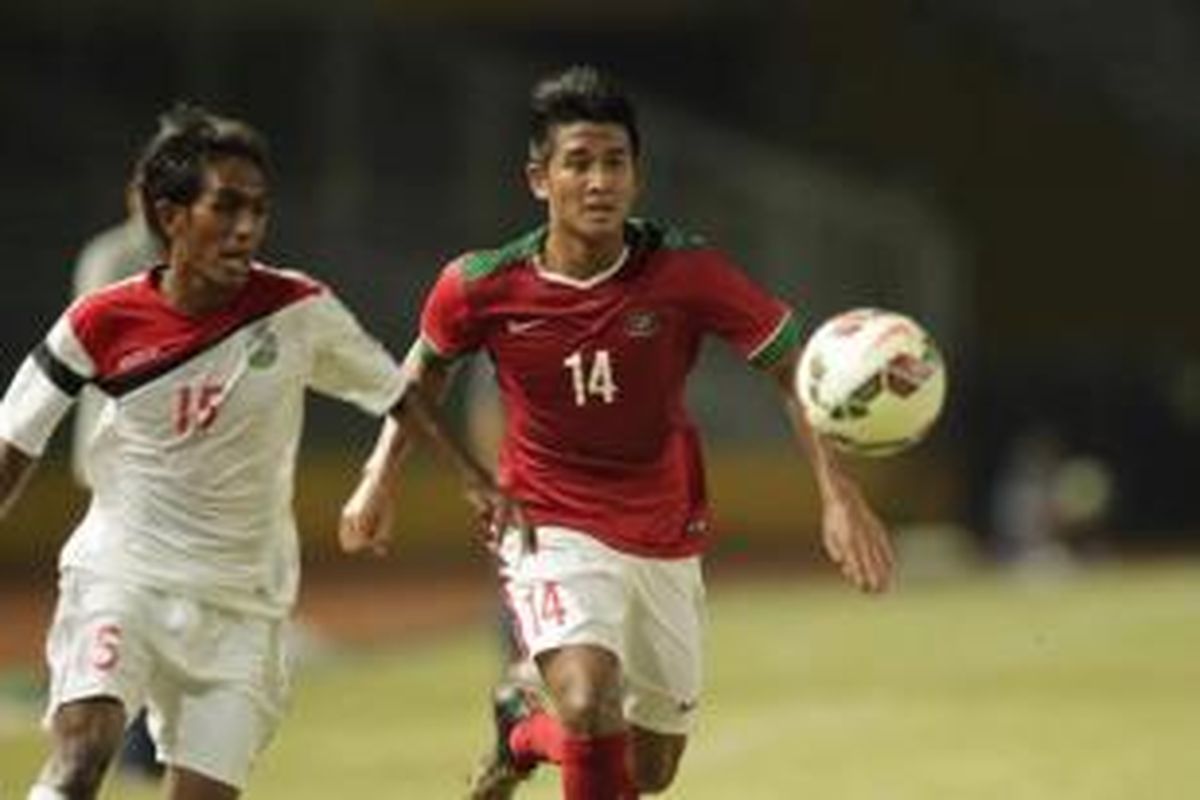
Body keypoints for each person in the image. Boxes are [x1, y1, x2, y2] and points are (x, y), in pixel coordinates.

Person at [339, 66, 894, 799]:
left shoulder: (685, 270)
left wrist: (838, 493)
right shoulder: (481, 284)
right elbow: (423, 373)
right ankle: (546, 715)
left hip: (663, 527)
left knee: (648, 769)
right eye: (579, 163)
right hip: (547, 522)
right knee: (587, 700)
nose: (599, 182)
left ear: (636, 175)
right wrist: (378, 476)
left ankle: (519, 730)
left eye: (614, 163)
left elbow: (793, 364)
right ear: (539, 179)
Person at [0, 105, 452, 800]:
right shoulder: (106, 298)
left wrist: (397, 481)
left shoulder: (295, 308)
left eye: (257, 209)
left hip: (242, 597)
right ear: (168, 213)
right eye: (225, 206)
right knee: (81, 757)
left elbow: (394, 390)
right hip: (126, 567)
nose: (244, 226)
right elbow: (15, 437)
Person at [70, 175, 164, 783]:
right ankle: (126, 743)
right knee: (129, 602)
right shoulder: (115, 257)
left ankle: (147, 740)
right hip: (122, 457)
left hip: (165, 462)